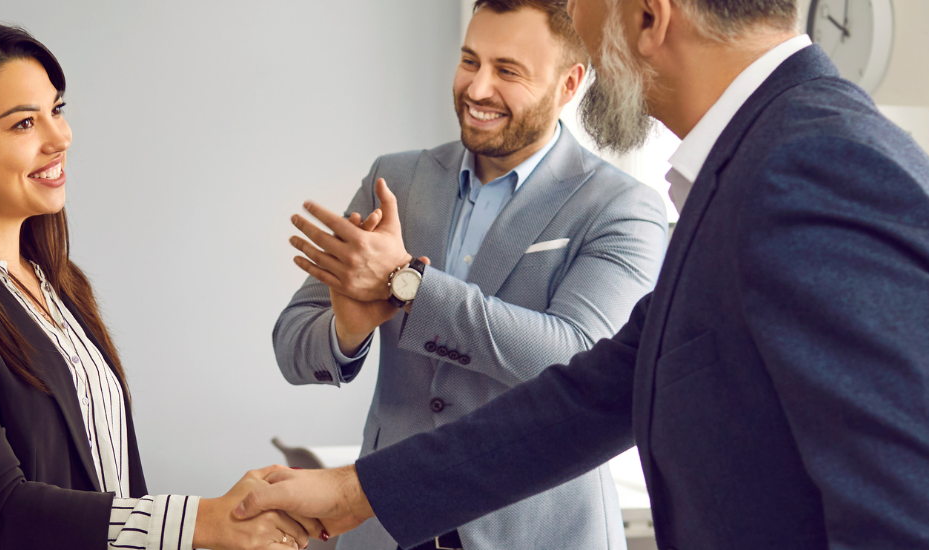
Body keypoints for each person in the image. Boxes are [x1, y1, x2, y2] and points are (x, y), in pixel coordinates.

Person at [237, 0, 929, 547]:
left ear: (650, 14)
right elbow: (599, 392)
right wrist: (356, 493)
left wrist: (407, 284)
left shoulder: (811, 168)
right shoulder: (755, 162)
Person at [0, 20, 321, 550]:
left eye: (57, 110)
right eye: (24, 123)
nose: (60, 137)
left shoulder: (60, 284)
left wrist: (230, 517)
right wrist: (204, 521)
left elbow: (106, 484)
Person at [272, 0, 666, 548]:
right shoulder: (396, 180)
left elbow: (577, 360)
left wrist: (409, 284)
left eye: (507, 71)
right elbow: (293, 347)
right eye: (469, 61)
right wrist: (347, 329)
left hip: (537, 532)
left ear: (569, 83)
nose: (477, 89)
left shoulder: (623, 207)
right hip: (382, 527)